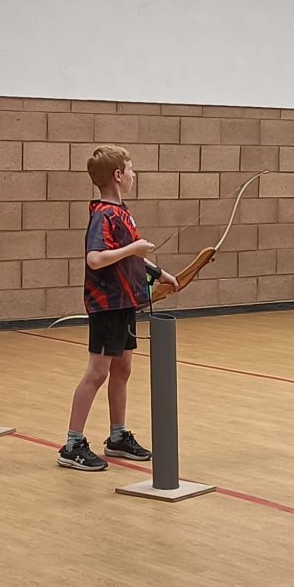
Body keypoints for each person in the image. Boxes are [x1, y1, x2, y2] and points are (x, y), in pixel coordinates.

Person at [58, 145, 179, 471]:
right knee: (97, 372)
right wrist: (133, 249)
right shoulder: (103, 215)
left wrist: (158, 273)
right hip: (107, 305)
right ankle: (72, 444)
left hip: (125, 303)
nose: (134, 174)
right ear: (117, 175)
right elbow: (95, 258)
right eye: (130, 168)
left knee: (123, 369)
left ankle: (117, 437)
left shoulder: (122, 212)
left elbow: (131, 255)